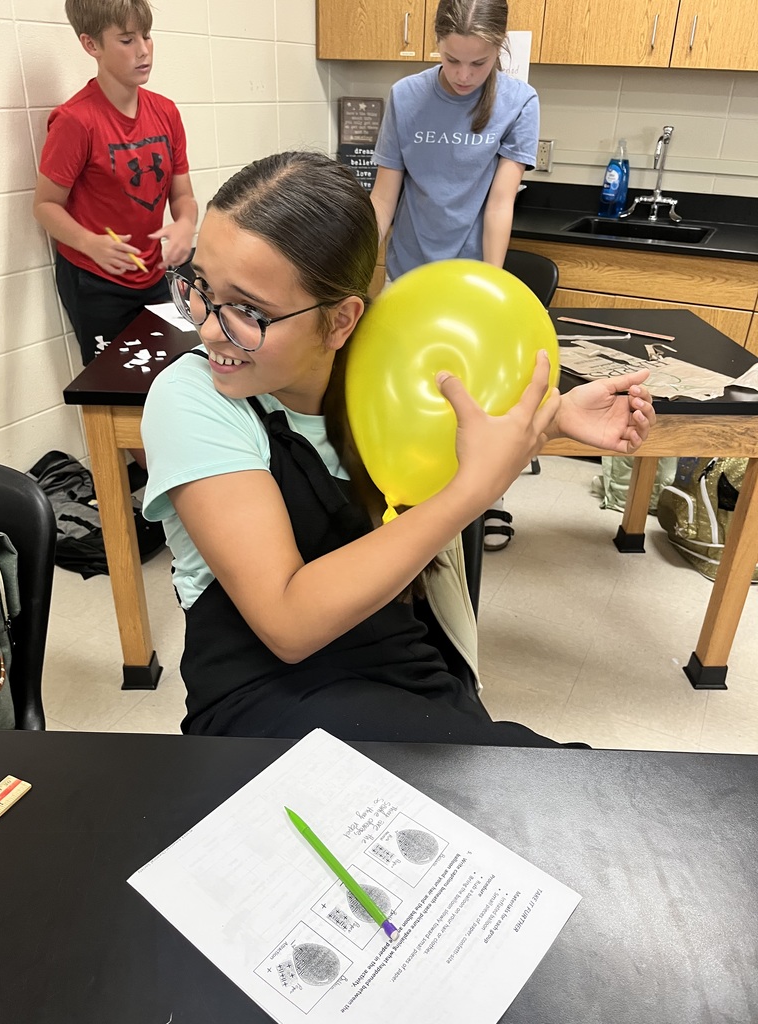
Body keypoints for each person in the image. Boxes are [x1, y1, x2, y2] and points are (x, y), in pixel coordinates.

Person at [140, 150, 655, 747]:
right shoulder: (193, 397)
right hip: (264, 702)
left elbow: (446, 436)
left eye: (249, 311)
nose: (208, 329)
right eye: (201, 288)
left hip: (403, 668)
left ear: (340, 322)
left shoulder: (383, 376)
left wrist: (555, 415)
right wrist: (470, 495)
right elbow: (285, 621)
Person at [370, 0, 536, 552]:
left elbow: (499, 204)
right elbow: (384, 197)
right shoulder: (406, 97)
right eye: (452, 60)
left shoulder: (519, 102)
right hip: (409, 279)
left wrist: (491, 290)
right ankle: (412, 504)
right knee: (411, 398)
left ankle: (475, 502)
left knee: (471, 399)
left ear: (499, 51)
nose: (463, 76)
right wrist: (359, 277)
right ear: (436, 43)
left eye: (479, 63)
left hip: (469, 282)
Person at [33, 0, 197, 367]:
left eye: (147, 36)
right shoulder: (75, 121)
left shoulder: (166, 112)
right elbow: (44, 205)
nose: (143, 50)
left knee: (174, 373)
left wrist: (186, 224)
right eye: (126, 40)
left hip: (153, 274)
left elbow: (183, 195)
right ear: (91, 45)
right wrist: (91, 243)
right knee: (113, 388)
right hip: (96, 281)